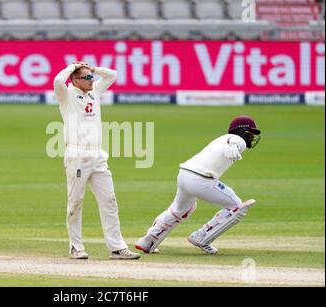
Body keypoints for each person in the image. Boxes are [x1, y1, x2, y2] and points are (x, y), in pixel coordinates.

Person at [135, 116, 261, 255]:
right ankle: (202, 237)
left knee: (180, 210)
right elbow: (234, 141)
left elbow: (230, 141)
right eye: (250, 133)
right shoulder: (237, 140)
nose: (251, 137)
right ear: (242, 131)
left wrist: (232, 146)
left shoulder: (221, 139)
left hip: (184, 175)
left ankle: (147, 241)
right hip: (201, 180)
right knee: (237, 207)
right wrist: (234, 146)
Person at [53, 61, 140, 260]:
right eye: (87, 78)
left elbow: (112, 75)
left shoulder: (95, 90)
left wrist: (92, 70)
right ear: (75, 81)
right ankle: (76, 247)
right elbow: (58, 79)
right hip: (77, 156)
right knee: (76, 202)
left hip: (98, 156)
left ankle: (117, 248)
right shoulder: (66, 95)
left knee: (109, 201)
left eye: (91, 77)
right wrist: (71, 66)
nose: (92, 80)